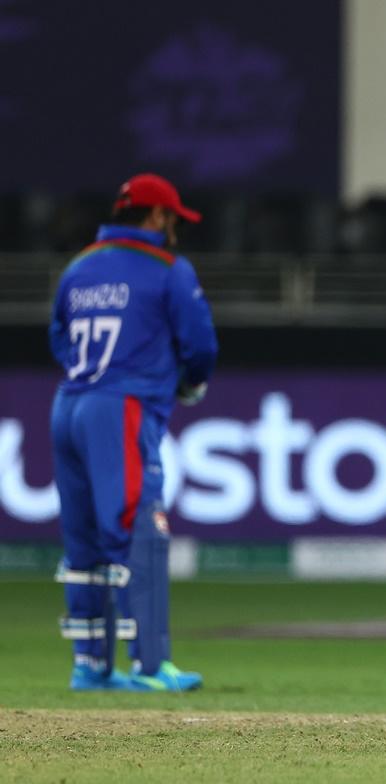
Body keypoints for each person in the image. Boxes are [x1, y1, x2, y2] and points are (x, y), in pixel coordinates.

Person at [49, 173, 217, 691]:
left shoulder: (77, 268)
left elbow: (57, 335)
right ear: (158, 217)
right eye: (173, 220)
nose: (174, 231)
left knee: (85, 541)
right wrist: (186, 383)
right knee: (139, 529)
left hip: (69, 404)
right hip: (121, 408)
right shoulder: (167, 269)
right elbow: (201, 345)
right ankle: (150, 667)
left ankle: (90, 666)